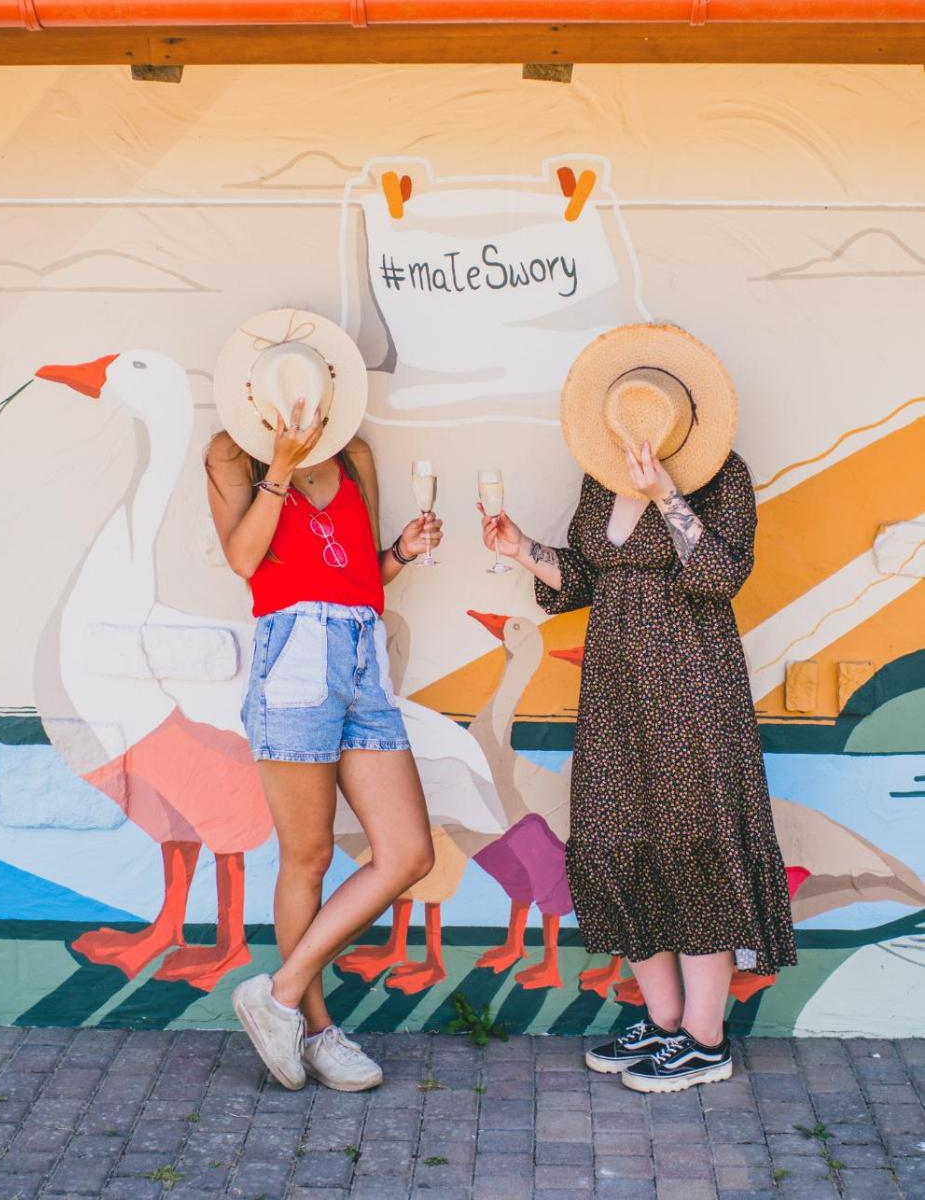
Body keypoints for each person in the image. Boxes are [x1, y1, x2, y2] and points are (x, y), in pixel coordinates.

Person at [480, 323, 796, 1094]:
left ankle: (705, 1040)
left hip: (691, 687)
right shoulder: (600, 476)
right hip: (614, 690)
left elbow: (720, 574)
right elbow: (587, 577)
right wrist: (523, 550)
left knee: (692, 846)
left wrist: (667, 497)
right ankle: (662, 1022)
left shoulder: (721, 477)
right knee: (616, 842)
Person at [207, 308, 440, 1092]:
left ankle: (276, 993)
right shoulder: (231, 454)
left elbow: (360, 575)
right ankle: (315, 1031)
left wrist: (401, 551)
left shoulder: (355, 454)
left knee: (407, 853)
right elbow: (247, 560)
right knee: (305, 857)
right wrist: (278, 465)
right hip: (294, 657)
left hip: (361, 657)